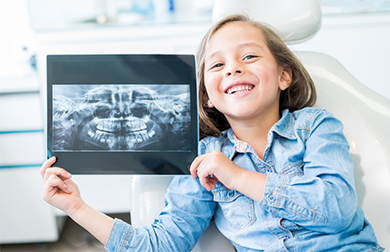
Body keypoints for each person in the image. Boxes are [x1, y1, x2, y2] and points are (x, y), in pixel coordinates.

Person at [41, 14, 384, 252]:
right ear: (207, 94)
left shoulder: (318, 128)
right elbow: (162, 245)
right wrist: (76, 207)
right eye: (217, 64)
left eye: (249, 56)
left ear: (284, 76)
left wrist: (236, 177)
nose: (233, 67)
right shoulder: (203, 159)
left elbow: (337, 208)